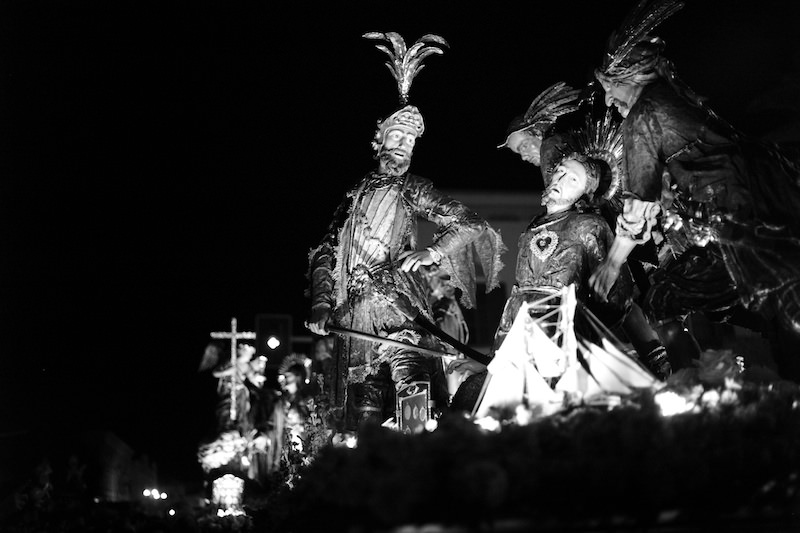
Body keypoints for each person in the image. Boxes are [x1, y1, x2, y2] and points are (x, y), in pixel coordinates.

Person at [589, 0, 800, 377]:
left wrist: (612, 263)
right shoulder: (675, 97)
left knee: (667, 298)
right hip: (756, 205)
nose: (608, 99)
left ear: (634, 76)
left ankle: (697, 383)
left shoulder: (644, 114)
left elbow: (640, 202)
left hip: (733, 217)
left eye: (612, 86)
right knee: (771, 293)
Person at [307, 32, 505, 430]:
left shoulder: (413, 188)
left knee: (413, 392)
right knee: (365, 406)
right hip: (358, 317)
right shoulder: (352, 196)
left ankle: (418, 467)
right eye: (396, 136)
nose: (403, 146)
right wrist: (322, 301)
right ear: (378, 139)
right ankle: (372, 475)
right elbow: (326, 252)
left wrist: (433, 252)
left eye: (410, 141)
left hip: (401, 308)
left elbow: (470, 222)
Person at [500, 83, 670, 377]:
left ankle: (656, 364)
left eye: (524, 146)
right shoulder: (535, 227)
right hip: (537, 322)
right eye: (559, 174)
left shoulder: (553, 149)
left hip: (595, 264)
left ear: (537, 133)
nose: (526, 155)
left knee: (623, 303)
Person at [449, 152, 644, 397]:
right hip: (521, 338)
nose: (560, 179)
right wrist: (493, 358)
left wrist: (582, 328)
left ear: (585, 193)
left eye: (572, 179)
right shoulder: (532, 227)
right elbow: (516, 300)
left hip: (562, 336)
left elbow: (615, 292)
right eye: (560, 171)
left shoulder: (589, 226)